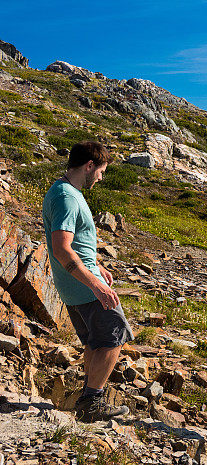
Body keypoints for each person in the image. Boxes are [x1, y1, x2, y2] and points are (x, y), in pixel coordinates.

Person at [42, 141, 134, 423]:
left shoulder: (63, 190)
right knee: (114, 337)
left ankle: (86, 398)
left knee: (95, 341)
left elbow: (77, 243)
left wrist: (98, 265)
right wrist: (95, 283)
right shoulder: (67, 197)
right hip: (83, 287)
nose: (101, 177)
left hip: (75, 285)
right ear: (89, 166)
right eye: (101, 171)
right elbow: (62, 248)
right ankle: (91, 402)